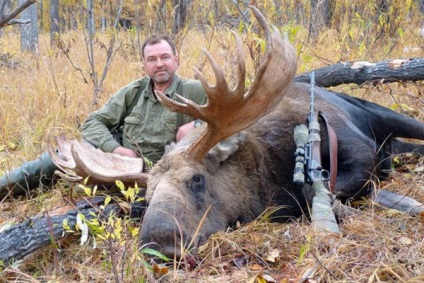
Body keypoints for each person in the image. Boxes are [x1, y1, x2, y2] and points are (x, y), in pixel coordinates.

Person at [0, 34, 206, 200]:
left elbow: (233, 121)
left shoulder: (195, 91)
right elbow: (93, 123)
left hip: (166, 174)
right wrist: (116, 149)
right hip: (118, 166)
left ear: (176, 60)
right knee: (61, 156)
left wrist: (198, 124)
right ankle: (5, 187)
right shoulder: (133, 92)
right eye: (152, 59)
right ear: (144, 65)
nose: (159, 64)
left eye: (165, 57)